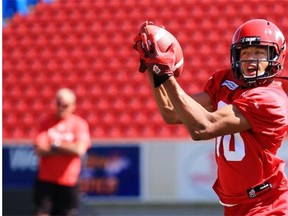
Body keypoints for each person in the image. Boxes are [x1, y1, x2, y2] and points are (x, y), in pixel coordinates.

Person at [133, 19, 288, 215]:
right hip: (237, 205)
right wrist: (151, 67)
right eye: (245, 52)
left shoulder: (270, 99)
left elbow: (203, 127)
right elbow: (171, 112)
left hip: (266, 204)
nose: (250, 58)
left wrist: (165, 74)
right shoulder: (227, 82)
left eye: (259, 52)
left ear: (276, 56)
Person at [33, 88, 91, 216]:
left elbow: (79, 149)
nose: (61, 108)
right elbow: (40, 149)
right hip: (46, 180)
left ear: (73, 106)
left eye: (65, 105)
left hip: (69, 181)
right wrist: (67, 150)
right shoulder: (45, 122)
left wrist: (54, 145)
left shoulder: (79, 124)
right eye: (59, 104)